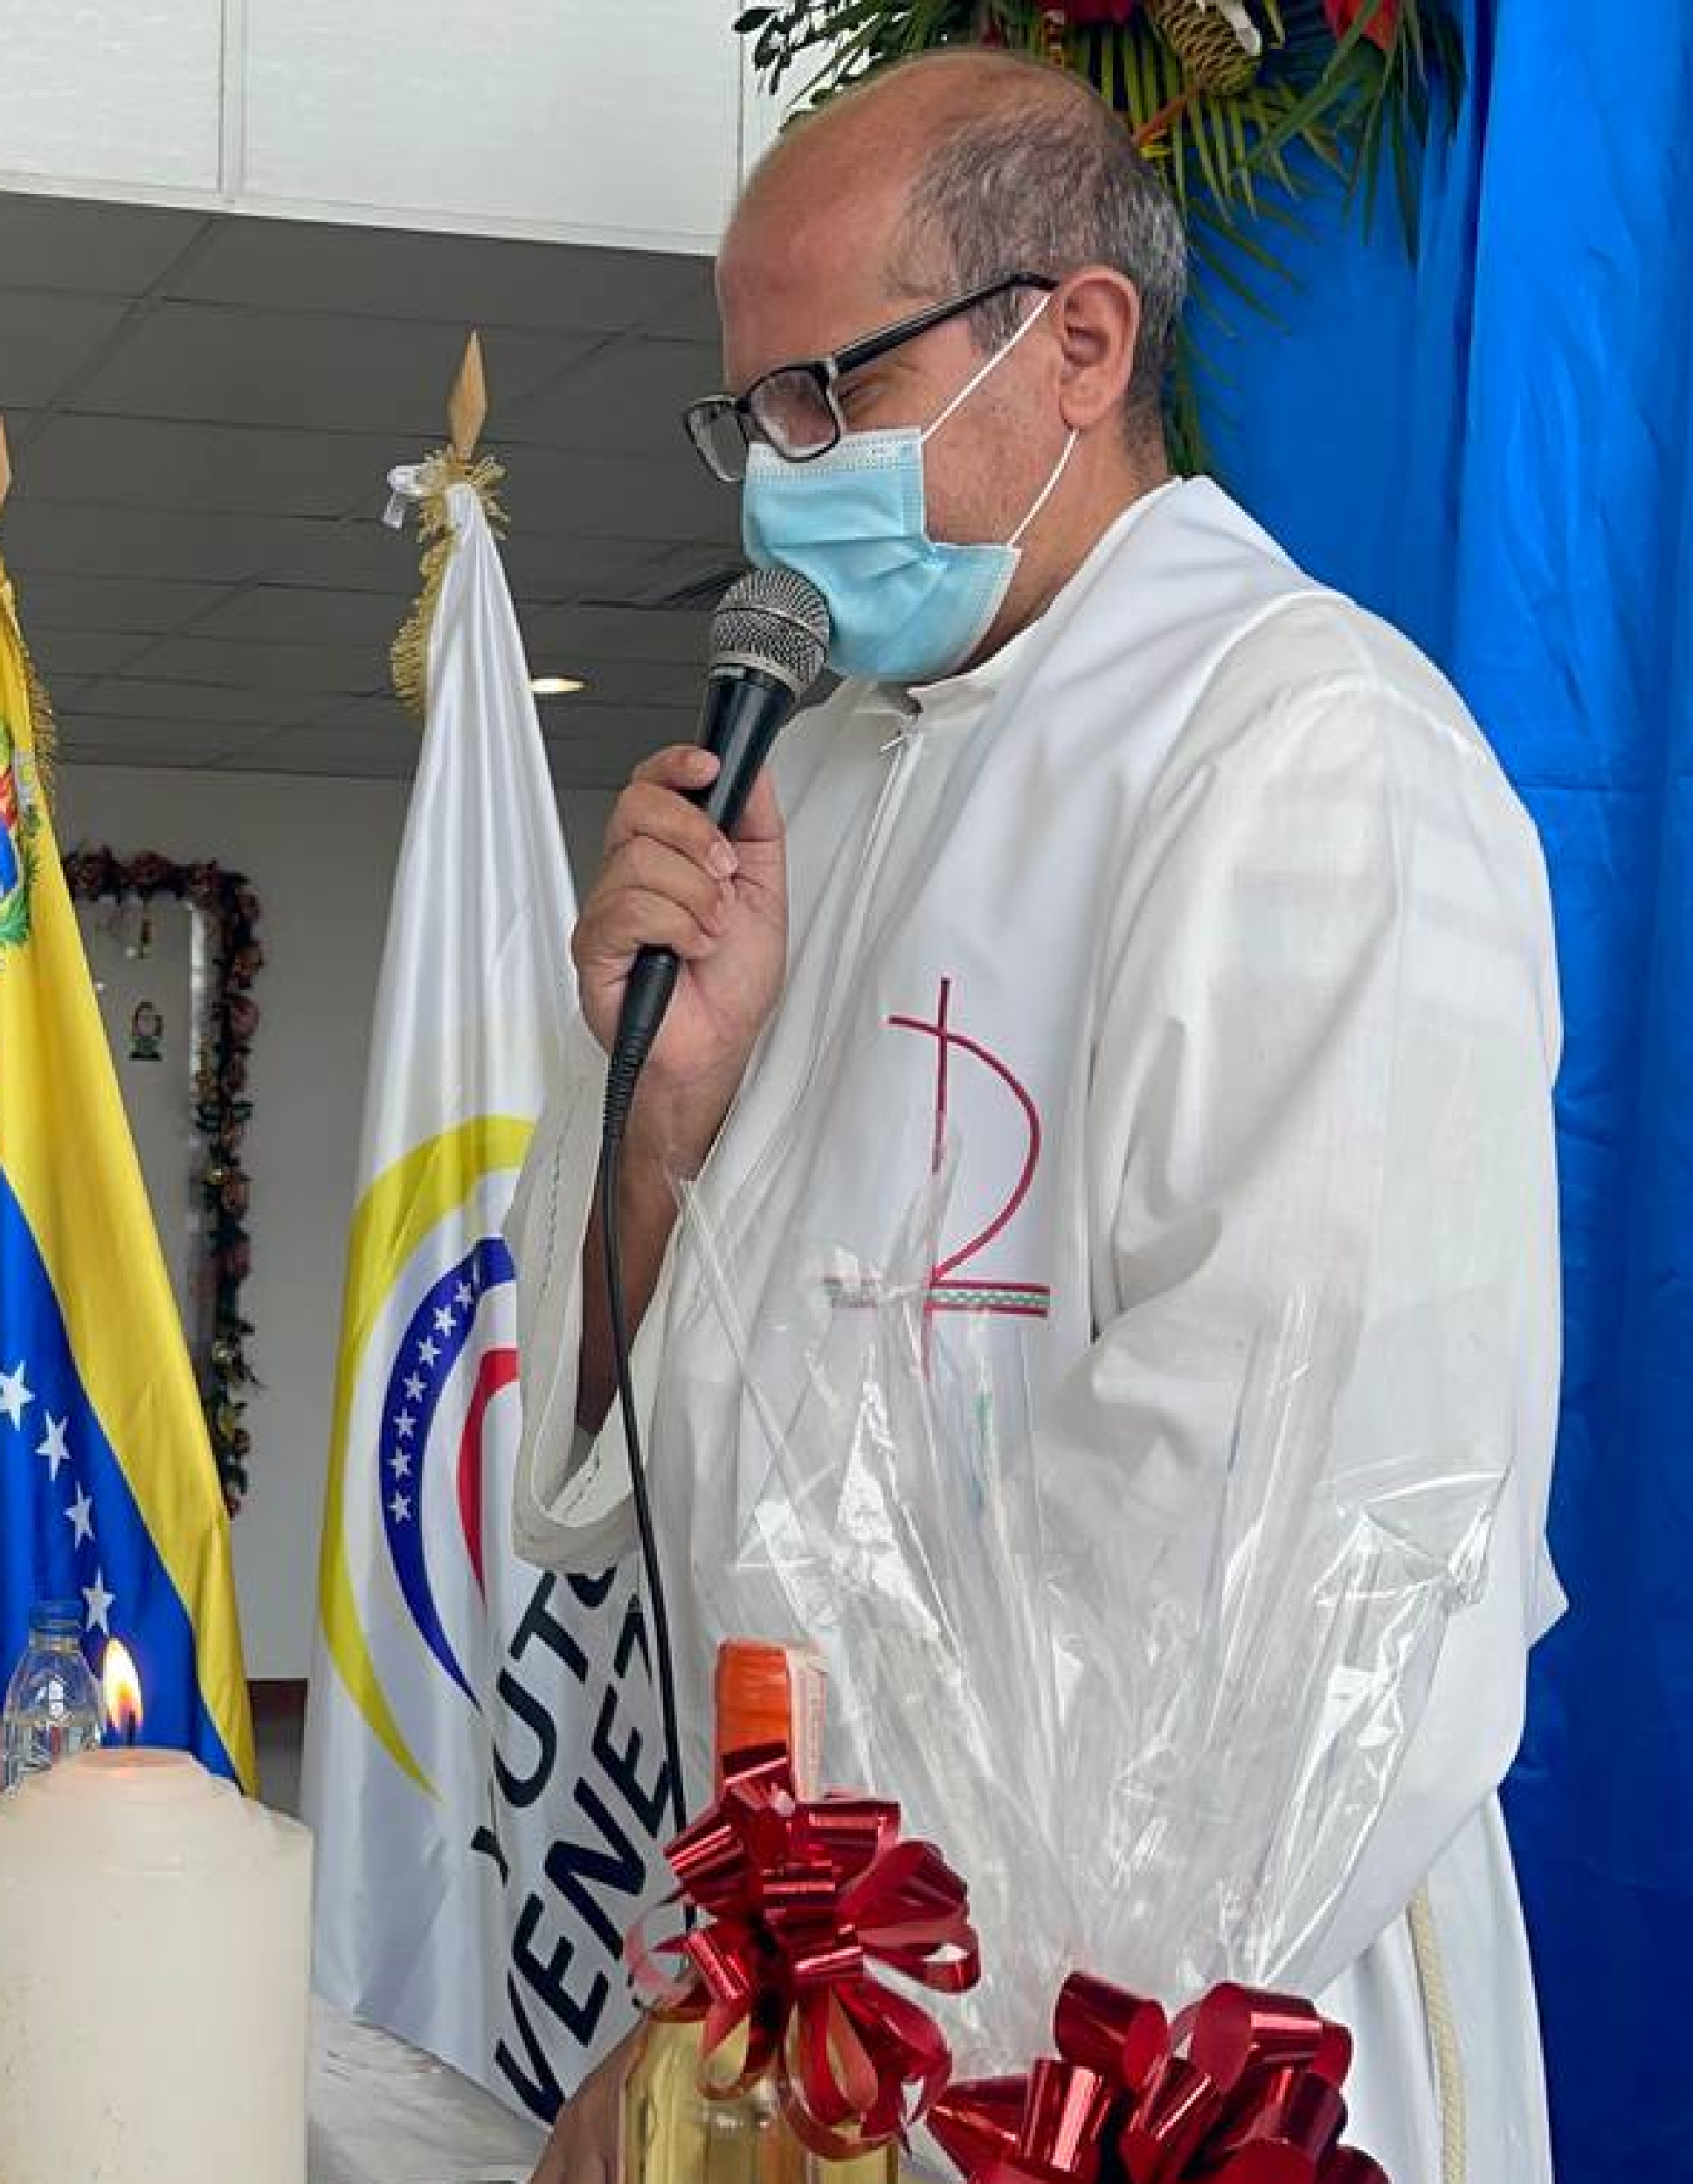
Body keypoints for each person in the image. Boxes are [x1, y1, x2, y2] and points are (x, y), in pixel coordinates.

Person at [508, 50, 1560, 2184]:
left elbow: (1281, 1556)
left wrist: (807, 2018)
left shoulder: (1308, 750)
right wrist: (664, 1126)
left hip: (1162, 2043)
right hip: (815, 1997)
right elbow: (681, 1471)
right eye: (752, 414)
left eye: (835, 394)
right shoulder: (820, 782)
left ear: (1079, 344)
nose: (780, 476)